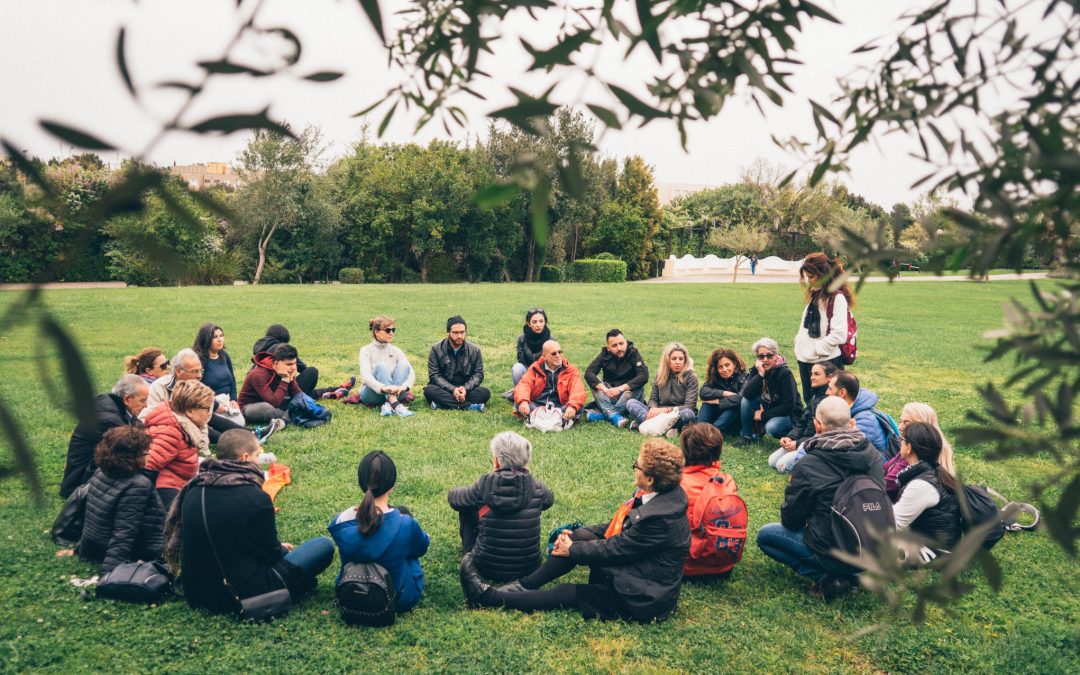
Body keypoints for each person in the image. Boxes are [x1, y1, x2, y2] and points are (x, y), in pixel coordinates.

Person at [460, 439, 691, 624]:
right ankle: (525, 585)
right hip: (636, 572)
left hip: (641, 597)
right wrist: (577, 537)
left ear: (650, 478)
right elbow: (616, 528)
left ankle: (488, 598)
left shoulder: (659, 518)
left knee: (568, 592)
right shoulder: (657, 495)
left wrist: (573, 550)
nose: (634, 467)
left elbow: (617, 548)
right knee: (579, 536)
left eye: (636, 465)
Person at [166, 429, 335, 615]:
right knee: (323, 546)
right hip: (241, 594)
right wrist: (280, 550)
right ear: (245, 457)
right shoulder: (255, 497)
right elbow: (270, 555)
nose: (258, 461)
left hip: (196, 591)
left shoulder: (194, 489)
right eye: (257, 455)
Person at [756, 397, 884, 601]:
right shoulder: (873, 455)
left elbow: (791, 519)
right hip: (870, 548)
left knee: (765, 536)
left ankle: (827, 576)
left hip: (830, 550)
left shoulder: (809, 464)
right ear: (851, 423)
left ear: (817, 426)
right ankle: (853, 575)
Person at [329, 451, 430, 614]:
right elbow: (423, 547)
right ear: (391, 487)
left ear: (361, 483)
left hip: (351, 594)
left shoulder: (340, 521)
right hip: (397, 599)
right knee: (410, 548)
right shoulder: (406, 524)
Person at [448, 432, 554, 582]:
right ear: (526, 461)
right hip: (529, 568)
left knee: (467, 508)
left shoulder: (483, 486)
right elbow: (549, 501)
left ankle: (468, 552)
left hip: (484, 567)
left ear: (496, 461)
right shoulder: (538, 488)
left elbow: (455, 500)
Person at [73, 426, 164, 573]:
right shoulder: (138, 484)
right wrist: (109, 574)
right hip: (139, 551)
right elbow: (124, 531)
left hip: (96, 546)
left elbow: (91, 517)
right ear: (133, 456)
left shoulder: (100, 471)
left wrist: (81, 549)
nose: (149, 455)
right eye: (146, 452)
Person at [60, 374, 149, 498]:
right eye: (143, 400)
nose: (146, 405)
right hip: (81, 481)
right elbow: (132, 447)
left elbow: (137, 425)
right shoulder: (109, 420)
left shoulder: (114, 405)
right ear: (127, 399)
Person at [142, 348, 255, 443]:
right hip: (167, 431)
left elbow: (209, 411)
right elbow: (149, 419)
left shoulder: (193, 385)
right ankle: (237, 441)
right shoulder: (158, 388)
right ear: (178, 371)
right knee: (192, 421)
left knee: (207, 415)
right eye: (194, 371)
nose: (199, 376)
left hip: (187, 426)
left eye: (201, 371)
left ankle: (251, 434)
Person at [678, 423, 741, 578]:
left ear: (685, 452)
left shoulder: (677, 483)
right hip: (723, 566)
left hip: (686, 564)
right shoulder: (727, 482)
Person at [144, 379, 214, 511]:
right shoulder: (170, 433)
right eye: (207, 408)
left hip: (179, 481)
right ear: (190, 411)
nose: (209, 413)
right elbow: (147, 466)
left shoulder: (184, 425)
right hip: (166, 488)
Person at [892, 422, 961, 554]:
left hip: (934, 550)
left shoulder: (922, 485)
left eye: (902, 440)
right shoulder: (934, 472)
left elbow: (895, 524)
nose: (900, 443)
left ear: (909, 448)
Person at [794, 252, 853, 404]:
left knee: (828, 405)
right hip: (806, 360)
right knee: (810, 402)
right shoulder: (815, 295)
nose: (808, 280)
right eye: (806, 276)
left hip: (825, 362)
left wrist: (816, 349)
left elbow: (839, 334)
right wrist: (800, 346)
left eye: (811, 276)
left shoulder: (836, 298)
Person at [768, 361, 838, 473]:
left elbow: (821, 436)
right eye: (811, 374)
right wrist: (791, 437)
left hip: (814, 446)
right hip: (803, 442)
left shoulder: (829, 400)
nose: (812, 377)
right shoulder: (815, 395)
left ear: (830, 377)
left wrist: (798, 443)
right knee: (772, 461)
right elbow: (803, 421)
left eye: (817, 374)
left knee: (782, 466)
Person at [736, 338, 803, 444]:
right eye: (761, 356)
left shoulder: (785, 374)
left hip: (788, 415)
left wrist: (762, 415)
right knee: (746, 401)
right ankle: (746, 436)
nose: (765, 359)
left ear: (776, 355)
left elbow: (789, 405)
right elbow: (747, 395)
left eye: (769, 355)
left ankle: (794, 434)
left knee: (771, 428)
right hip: (770, 407)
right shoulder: (758, 369)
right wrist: (760, 375)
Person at [885, 402, 956, 501]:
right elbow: (885, 467)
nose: (899, 427)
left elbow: (888, 484)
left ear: (921, 427)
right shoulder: (908, 446)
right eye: (900, 421)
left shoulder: (915, 456)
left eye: (906, 423)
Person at [626, 342, 699, 433]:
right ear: (667, 360)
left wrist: (666, 410)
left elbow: (690, 406)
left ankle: (646, 425)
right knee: (631, 402)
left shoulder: (691, 377)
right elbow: (653, 399)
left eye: (681, 359)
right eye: (674, 359)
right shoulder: (660, 374)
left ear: (685, 360)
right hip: (658, 414)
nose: (677, 362)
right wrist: (653, 409)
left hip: (677, 413)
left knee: (689, 414)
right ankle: (670, 429)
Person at [583, 329, 649, 428]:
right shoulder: (604, 355)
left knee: (638, 385)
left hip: (628, 396)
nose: (619, 348)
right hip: (609, 396)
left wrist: (620, 389)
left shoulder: (634, 353)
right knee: (595, 382)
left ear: (626, 342)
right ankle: (614, 414)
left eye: (621, 343)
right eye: (614, 346)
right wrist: (605, 389)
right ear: (608, 348)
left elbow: (644, 375)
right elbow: (589, 373)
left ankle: (606, 415)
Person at [423, 315, 490, 412]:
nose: (459, 336)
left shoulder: (475, 350)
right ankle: (469, 406)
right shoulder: (436, 349)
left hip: (465, 388)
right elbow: (434, 375)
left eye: (462, 332)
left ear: (466, 332)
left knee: (484, 392)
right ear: (448, 333)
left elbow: (478, 374)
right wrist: (453, 390)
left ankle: (442, 405)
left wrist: (465, 389)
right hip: (445, 389)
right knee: (429, 390)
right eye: (455, 332)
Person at [513, 340, 585, 422]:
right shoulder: (535, 367)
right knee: (519, 403)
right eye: (554, 353)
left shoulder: (570, 369)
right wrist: (524, 402)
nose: (558, 356)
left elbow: (578, 389)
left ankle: (538, 417)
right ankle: (558, 418)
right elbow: (524, 384)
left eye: (560, 352)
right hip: (538, 405)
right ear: (544, 356)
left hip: (560, 406)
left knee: (578, 407)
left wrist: (572, 407)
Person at [359, 315, 417, 418]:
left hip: (398, 392)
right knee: (381, 366)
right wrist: (384, 388)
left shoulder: (396, 350)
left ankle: (388, 403)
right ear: (376, 332)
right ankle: (395, 404)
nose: (391, 333)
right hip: (373, 394)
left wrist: (405, 386)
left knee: (404, 365)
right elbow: (365, 376)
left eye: (393, 330)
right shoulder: (366, 350)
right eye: (387, 330)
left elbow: (411, 373)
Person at [828, 371, 889, 460]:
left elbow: (841, 450)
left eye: (830, 389)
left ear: (842, 393)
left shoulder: (864, 421)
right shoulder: (851, 410)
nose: (826, 392)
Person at [238, 343, 302, 425]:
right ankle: (290, 417)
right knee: (266, 408)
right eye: (289, 364)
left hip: (275, 401)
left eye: (294, 363)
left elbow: (298, 395)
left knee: (299, 401)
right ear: (276, 363)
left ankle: (286, 418)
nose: (293, 367)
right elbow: (273, 403)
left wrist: (292, 379)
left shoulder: (287, 370)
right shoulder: (258, 374)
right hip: (250, 407)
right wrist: (285, 379)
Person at [252, 323, 322, 398]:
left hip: (262, 391)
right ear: (284, 339)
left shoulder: (259, 350)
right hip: (280, 392)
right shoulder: (281, 349)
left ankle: (320, 393)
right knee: (312, 371)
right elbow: (303, 368)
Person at [193, 322, 244, 425]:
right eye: (215, 337)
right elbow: (197, 389)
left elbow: (232, 381)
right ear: (206, 340)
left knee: (240, 423)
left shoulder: (224, 356)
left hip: (226, 402)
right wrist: (215, 405)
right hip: (210, 403)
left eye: (221, 336)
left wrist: (234, 399)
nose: (220, 339)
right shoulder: (199, 360)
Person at [696, 348, 747, 435]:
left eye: (727, 365)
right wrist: (724, 393)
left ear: (734, 364)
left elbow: (740, 399)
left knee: (733, 406)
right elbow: (703, 392)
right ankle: (700, 430)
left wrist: (717, 401)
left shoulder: (745, 377)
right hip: (717, 413)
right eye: (720, 367)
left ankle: (713, 433)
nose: (724, 369)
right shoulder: (715, 377)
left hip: (734, 418)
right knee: (707, 404)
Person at [511, 308, 552, 387]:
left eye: (541, 321)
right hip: (528, 371)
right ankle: (520, 391)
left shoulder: (551, 340)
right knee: (517, 368)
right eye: (534, 322)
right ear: (529, 324)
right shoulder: (521, 339)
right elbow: (521, 360)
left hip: (544, 373)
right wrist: (531, 374)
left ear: (545, 322)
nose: (538, 325)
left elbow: (553, 364)